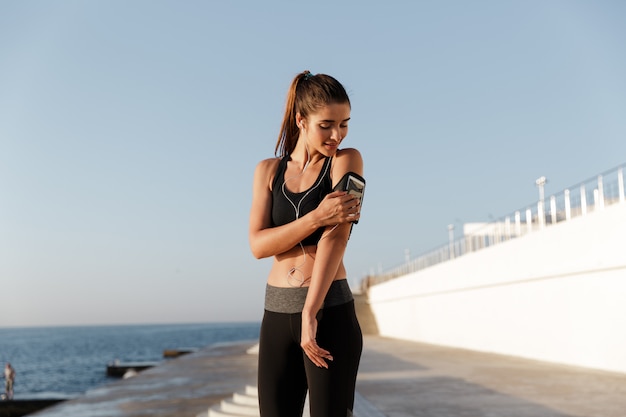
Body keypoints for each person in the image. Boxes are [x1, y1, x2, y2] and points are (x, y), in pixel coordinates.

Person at [249, 70, 364, 417]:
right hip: (276, 313)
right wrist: (316, 217)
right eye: (326, 124)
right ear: (301, 120)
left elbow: (338, 237)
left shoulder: (347, 161)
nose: (337, 135)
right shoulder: (268, 171)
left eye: (344, 124)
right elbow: (258, 245)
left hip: (328, 312)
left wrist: (310, 311)